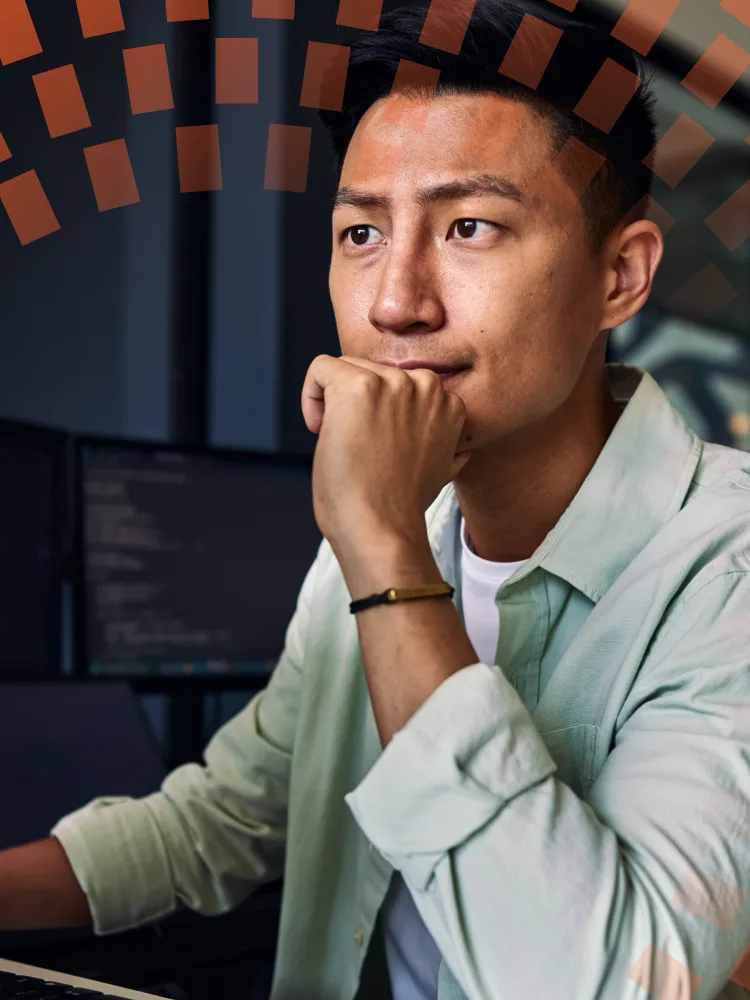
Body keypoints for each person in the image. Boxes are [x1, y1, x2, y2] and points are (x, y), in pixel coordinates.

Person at [2, 1, 750, 997]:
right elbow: (225, 819)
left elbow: (601, 980)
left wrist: (385, 549)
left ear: (619, 275)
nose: (395, 302)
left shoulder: (724, 570)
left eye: (470, 227)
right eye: (361, 232)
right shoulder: (390, 525)